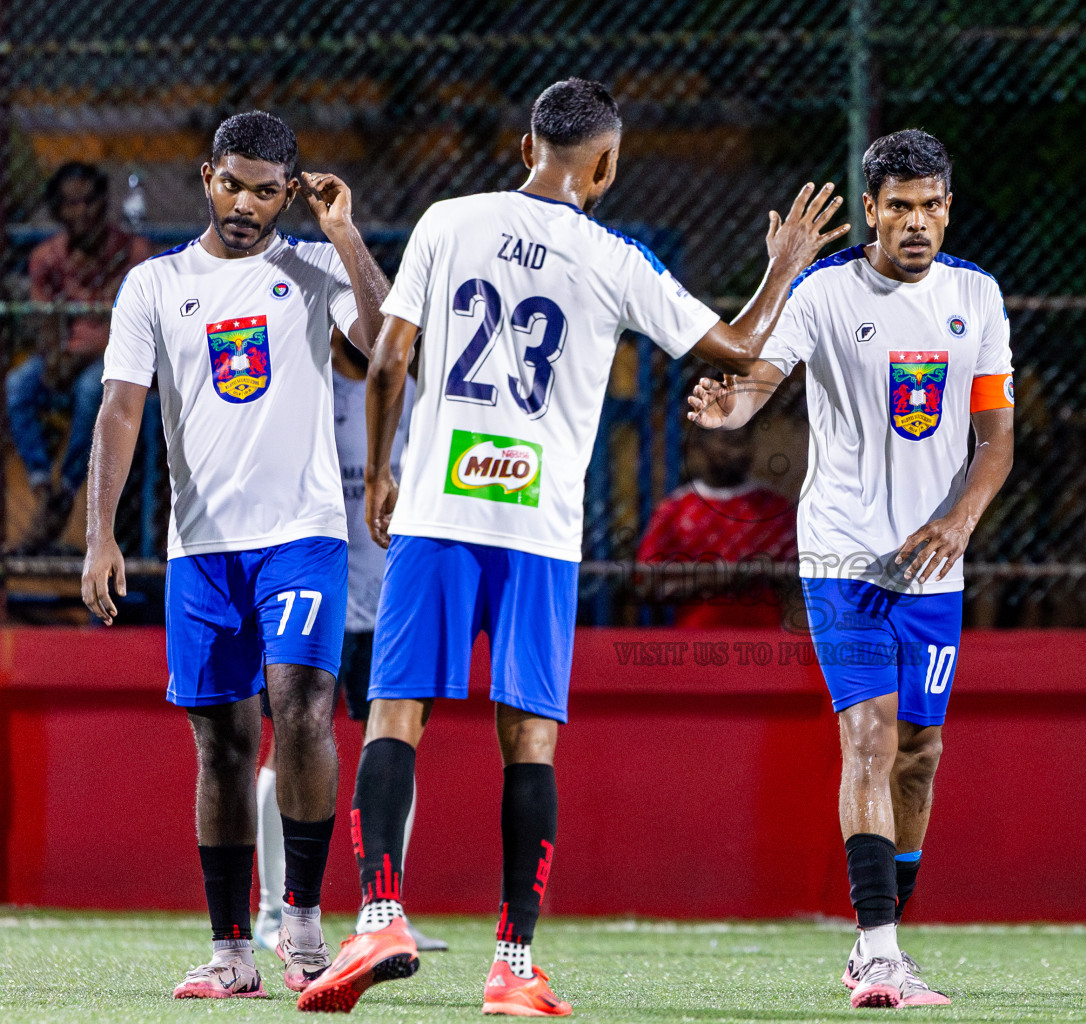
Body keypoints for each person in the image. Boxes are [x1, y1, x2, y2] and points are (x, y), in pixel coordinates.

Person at [295, 77, 847, 1015]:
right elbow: (742, 348)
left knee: (396, 715)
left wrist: (385, 477)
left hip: (435, 514)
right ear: (607, 166)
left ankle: (380, 913)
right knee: (530, 739)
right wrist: (783, 265)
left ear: (524, 150)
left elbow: (389, 359)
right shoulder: (612, 259)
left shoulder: (448, 220)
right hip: (536, 530)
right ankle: (512, 966)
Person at [686, 129, 1014, 1009]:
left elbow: (996, 440)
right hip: (841, 556)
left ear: (950, 206)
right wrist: (733, 406)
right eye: (900, 206)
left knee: (920, 753)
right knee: (867, 737)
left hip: (935, 564)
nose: (917, 222)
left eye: (932, 205)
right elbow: (760, 376)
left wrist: (961, 517)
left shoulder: (976, 297)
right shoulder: (826, 293)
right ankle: (877, 952)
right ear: (870, 210)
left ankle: (884, 938)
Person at [81, 111, 389, 999]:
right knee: (220, 744)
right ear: (207, 175)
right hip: (202, 549)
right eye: (232, 183)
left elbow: (380, 344)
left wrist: (346, 234)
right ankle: (230, 952)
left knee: (302, 705)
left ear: (289, 190)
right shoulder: (153, 284)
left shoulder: (315, 266)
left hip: (302, 534)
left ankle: (300, 925)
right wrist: (102, 532)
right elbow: (119, 410)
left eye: (266, 189)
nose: (247, 204)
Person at [253, 336, 446, 954]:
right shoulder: (304, 392)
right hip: (313, 591)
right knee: (285, 746)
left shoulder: (414, 395)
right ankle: (270, 911)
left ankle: (383, 909)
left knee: (392, 742)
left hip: (391, 598)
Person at [10, 162, 150, 552]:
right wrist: (54, 356)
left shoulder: (132, 254)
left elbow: (134, 329)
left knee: (93, 391)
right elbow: (45, 321)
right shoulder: (48, 257)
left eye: (90, 202)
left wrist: (82, 356)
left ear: (104, 204)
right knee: (18, 385)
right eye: (71, 204)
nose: (82, 212)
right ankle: (42, 486)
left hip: (117, 360)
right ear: (58, 210)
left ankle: (69, 490)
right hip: (67, 355)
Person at [635, 424, 797, 627]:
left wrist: (755, 575)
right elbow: (647, 584)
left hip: (762, 642)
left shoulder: (772, 507)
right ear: (699, 445)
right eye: (728, 442)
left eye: (744, 441)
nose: (739, 452)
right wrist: (715, 580)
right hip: (694, 643)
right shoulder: (675, 511)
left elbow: (798, 578)